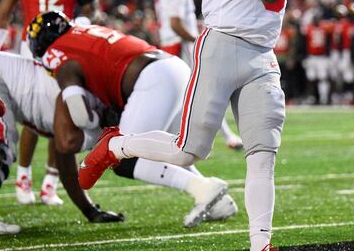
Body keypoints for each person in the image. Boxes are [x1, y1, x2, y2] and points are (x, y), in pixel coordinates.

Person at [76, 0, 324, 250]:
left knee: (263, 151)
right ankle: (115, 144)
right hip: (223, 43)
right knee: (188, 151)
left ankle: (261, 245)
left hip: (262, 52)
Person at [27, 12, 237, 228]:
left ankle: (203, 189)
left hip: (153, 79)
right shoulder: (85, 33)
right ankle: (219, 202)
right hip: (173, 68)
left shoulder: (58, 52)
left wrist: (99, 123)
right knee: (165, 149)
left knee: (123, 157)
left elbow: (79, 113)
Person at [0, 50, 125, 234]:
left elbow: (65, 159)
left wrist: (90, 211)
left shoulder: (92, 108)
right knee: (0, 146)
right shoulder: (87, 100)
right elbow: (68, 143)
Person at [0, 0, 98, 206]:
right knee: (30, 116)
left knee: (59, 116)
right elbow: (4, 12)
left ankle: (50, 181)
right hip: (31, 46)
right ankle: (23, 174)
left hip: (67, 47)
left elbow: (91, 11)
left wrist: (88, 19)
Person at [154, 0, 243, 149]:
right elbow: (176, 23)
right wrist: (197, 39)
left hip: (168, 45)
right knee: (207, 92)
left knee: (189, 96)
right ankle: (223, 137)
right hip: (181, 45)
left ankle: (174, 139)